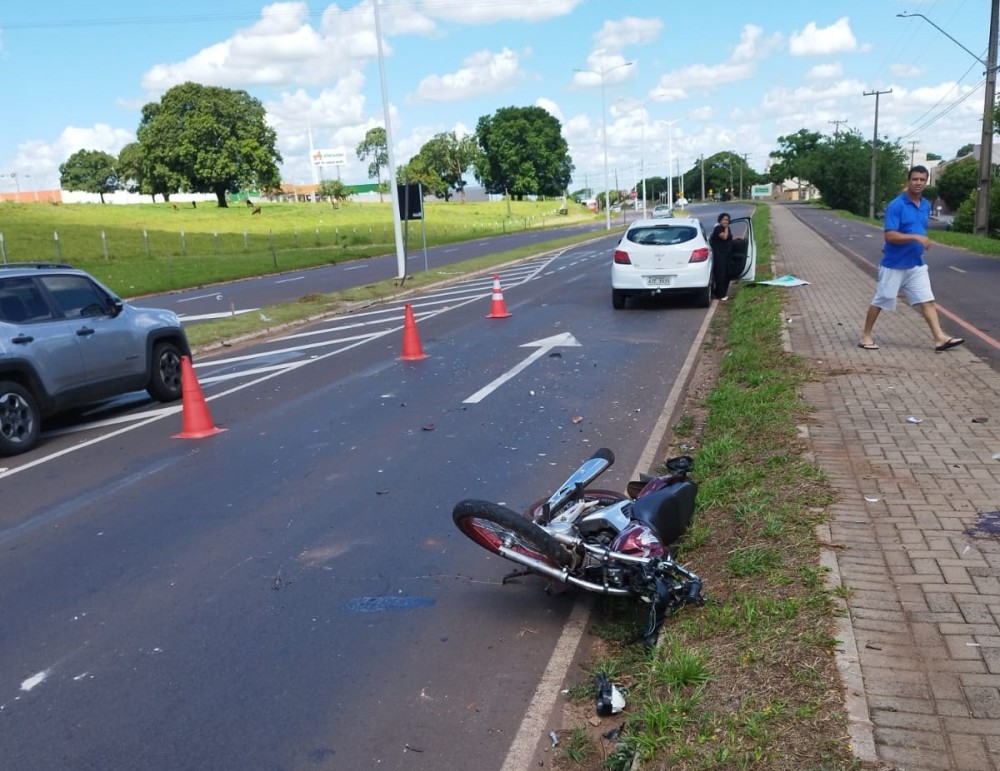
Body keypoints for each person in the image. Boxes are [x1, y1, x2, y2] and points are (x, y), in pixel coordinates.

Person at [859, 165, 964, 352]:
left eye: (922, 180)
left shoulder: (924, 205)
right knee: (882, 300)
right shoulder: (896, 205)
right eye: (915, 179)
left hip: (916, 264)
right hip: (894, 265)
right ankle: (865, 336)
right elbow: (889, 235)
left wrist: (919, 239)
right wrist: (915, 238)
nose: (918, 183)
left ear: (926, 182)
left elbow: (918, 227)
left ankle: (939, 338)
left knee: (928, 300)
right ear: (908, 181)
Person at [709, 212, 733, 301]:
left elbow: (729, 238)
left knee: (728, 274)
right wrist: (726, 228)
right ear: (720, 220)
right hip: (719, 255)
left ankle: (717, 293)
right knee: (720, 274)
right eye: (724, 220)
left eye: (727, 220)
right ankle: (721, 295)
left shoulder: (727, 228)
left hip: (726, 254)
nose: (726, 221)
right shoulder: (718, 229)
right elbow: (724, 237)